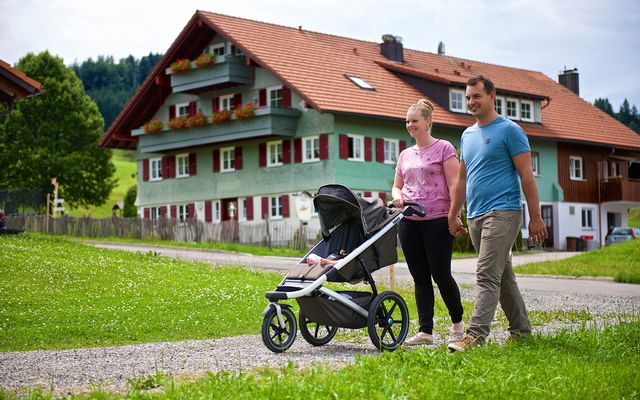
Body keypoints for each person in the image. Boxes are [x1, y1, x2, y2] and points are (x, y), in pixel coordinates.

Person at [447, 75, 548, 352]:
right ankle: (522, 331)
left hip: (504, 211)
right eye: (468, 97)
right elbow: (462, 180)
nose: (471, 102)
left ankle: (475, 336)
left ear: (492, 97)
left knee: (486, 274)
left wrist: (535, 216)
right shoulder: (467, 135)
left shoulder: (510, 131)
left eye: (476, 96)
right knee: (502, 276)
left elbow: (527, 176)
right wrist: (454, 213)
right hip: (476, 214)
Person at [392, 99, 465, 346]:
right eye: (407, 121)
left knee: (441, 274)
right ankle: (425, 331)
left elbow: (456, 184)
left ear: (428, 122)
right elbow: (397, 185)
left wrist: (454, 214)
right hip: (409, 221)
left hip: (437, 220)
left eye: (414, 121)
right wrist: (397, 196)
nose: (410, 125)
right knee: (420, 277)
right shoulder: (404, 155)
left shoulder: (444, 148)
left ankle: (457, 324)